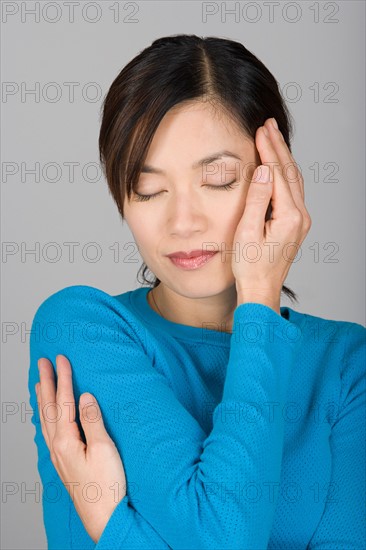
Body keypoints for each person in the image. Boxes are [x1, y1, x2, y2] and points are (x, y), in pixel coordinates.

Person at [28, 34, 365, 549]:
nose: (182, 222)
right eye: (149, 189)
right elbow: (221, 537)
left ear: (275, 182)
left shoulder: (346, 365)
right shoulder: (82, 327)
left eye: (219, 179)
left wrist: (115, 530)